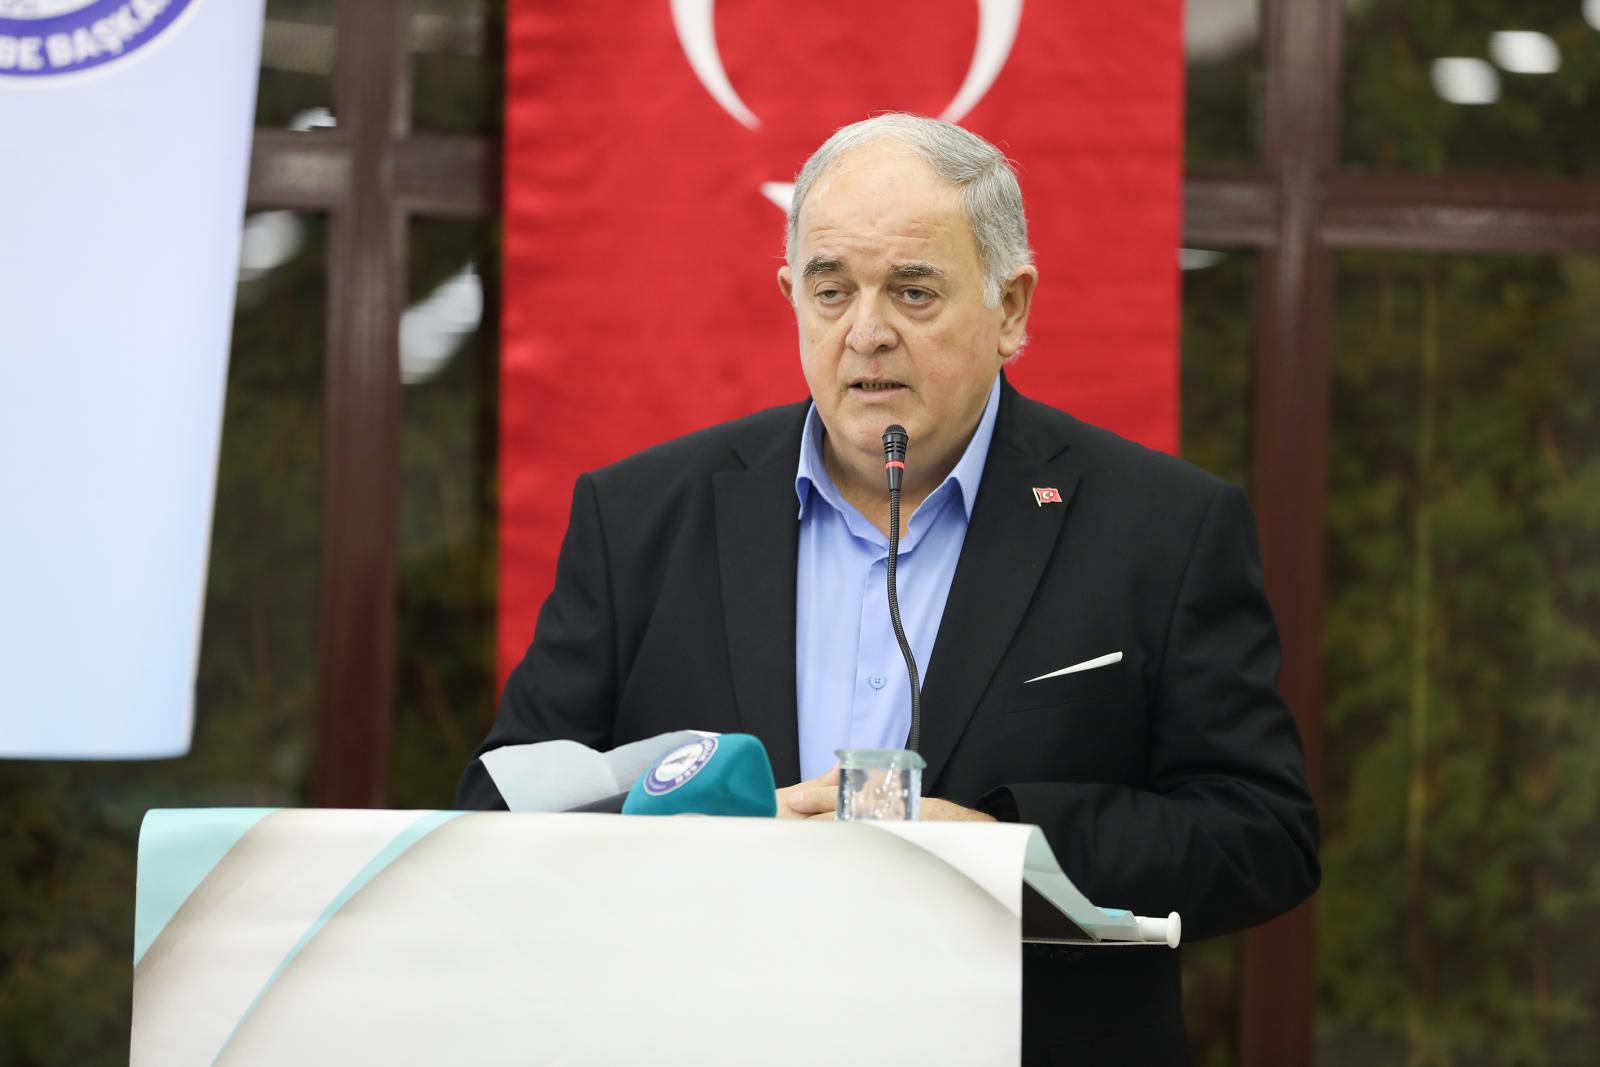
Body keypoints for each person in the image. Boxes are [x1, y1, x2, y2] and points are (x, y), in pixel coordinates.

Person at [456, 113, 1319, 1065]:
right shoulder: (639, 519)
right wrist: (703, 832)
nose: (866, 333)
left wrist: (997, 841)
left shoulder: (1163, 528)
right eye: (831, 291)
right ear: (792, 297)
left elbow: (1263, 834)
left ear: (1011, 307)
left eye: (913, 292)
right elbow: (501, 813)